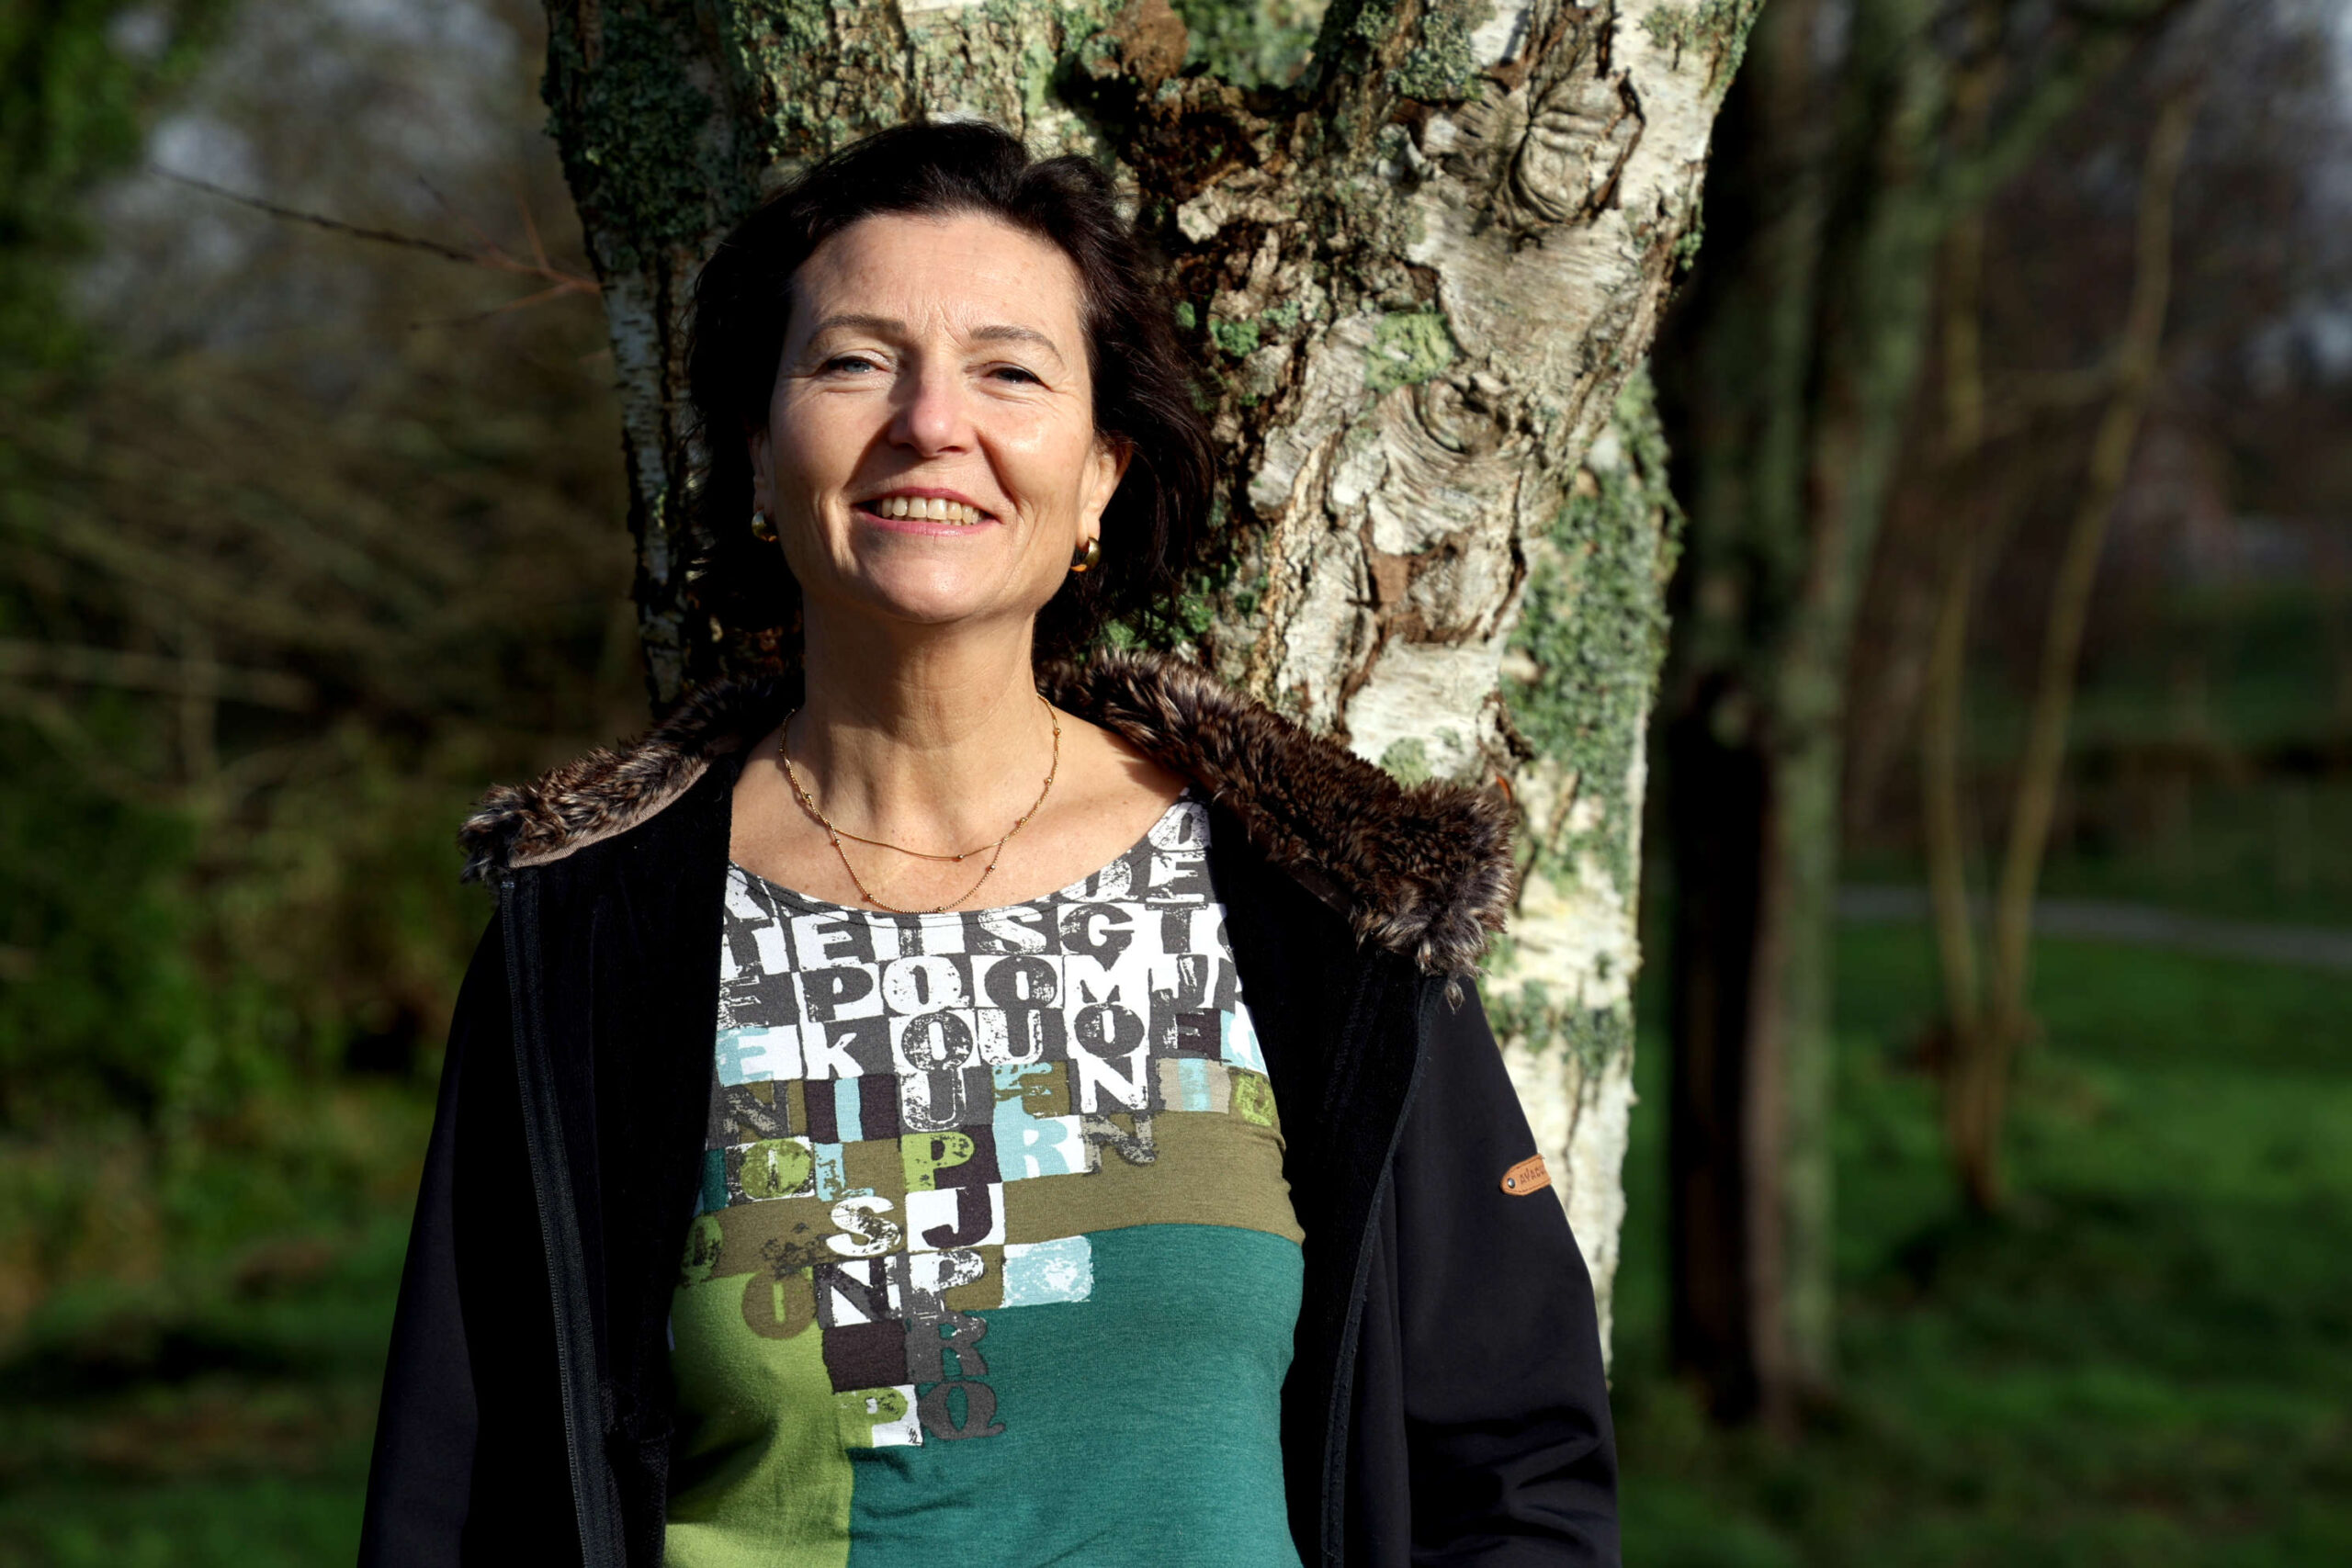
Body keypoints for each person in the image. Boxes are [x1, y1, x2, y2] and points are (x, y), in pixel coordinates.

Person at [358, 120, 1618, 1568]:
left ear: (1099, 475)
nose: (929, 422)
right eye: (854, 362)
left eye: (1009, 371)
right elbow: (459, 1504)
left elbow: (1510, 1470)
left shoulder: (1314, 905)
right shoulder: (591, 939)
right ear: (759, 454)